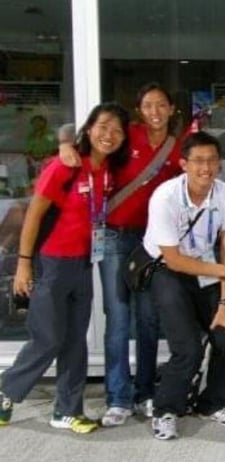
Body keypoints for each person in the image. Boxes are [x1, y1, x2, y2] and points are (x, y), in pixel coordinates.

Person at [60, 83, 185, 426]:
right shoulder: (126, 133)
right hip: (115, 235)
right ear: (140, 110)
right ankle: (118, 398)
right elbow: (77, 133)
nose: (155, 111)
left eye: (162, 104)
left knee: (147, 318)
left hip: (152, 242)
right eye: (148, 105)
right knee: (117, 315)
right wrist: (64, 145)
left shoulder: (179, 147)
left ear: (172, 108)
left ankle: (145, 392)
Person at [0, 102, 130, 433]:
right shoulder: (65, 166)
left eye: (116, 130)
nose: (109, 135)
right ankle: (6, 391)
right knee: (47, 338)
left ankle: (67, 411)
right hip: (51, 263)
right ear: (88, 129)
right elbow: (34, 215)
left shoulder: (106, 172)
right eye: (103, 126)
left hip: (83, 264)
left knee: (75, 341)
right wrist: (24, 265)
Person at [143, 131, 225, 440]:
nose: (206, 168)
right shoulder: (165, 197)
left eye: (212, 160)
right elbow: (175, 260)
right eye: (198, 161)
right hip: (168, 269)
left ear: (220, 163)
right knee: (187, 348)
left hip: (208, 267)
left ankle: (212, 403)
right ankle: (166, 410)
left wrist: (224, 305)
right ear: (183, 164)